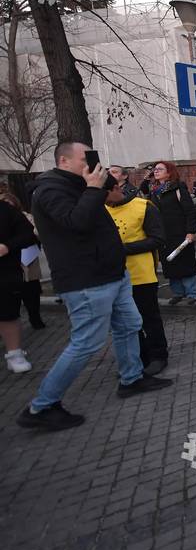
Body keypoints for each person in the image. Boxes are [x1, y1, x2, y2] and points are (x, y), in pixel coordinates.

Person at [17, 142, 173, 431]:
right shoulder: (49, 189)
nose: (91, 162)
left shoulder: (80, 184)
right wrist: (91, 189)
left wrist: (96, 185)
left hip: (113, 273)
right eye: (84, 158)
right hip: (85, 279)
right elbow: (76, 222)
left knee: (129, 324)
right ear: (64, 161)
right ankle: (42, 406)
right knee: (86, 342)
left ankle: (132, 378)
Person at [105, 177, 170, 375]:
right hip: (113, 275)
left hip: (141, 274)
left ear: (116, 188)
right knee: (126, 323)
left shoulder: (143, 207)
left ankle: (158, 355)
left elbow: (158, 239)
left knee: (148, 318)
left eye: (103, 194)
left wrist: (121, 249)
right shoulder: (100, 210)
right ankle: (138, 357)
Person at [147, 161, 196, 305]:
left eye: (160, 169)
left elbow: (189, 211)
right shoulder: (154, 191)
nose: (156, 171)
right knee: (169, 263)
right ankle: (177, 292)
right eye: (155, 169)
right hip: (163, 235)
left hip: (180, 233)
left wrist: (190, 231)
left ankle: (191, 293)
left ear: (169, 172)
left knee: (185, 262)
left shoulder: (178, 188)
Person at [0, 196, 36, 373]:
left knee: (8, 313)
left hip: (5, 273)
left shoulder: (6, 210)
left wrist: (7, 246)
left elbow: (28, 234)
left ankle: (14, 353)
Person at [0, 192, 46, 329]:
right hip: (8, 265)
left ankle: (35, 318)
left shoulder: (25, 218)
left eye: (8, 203)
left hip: (27, 261)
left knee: (31, 291)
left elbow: (34, 234)